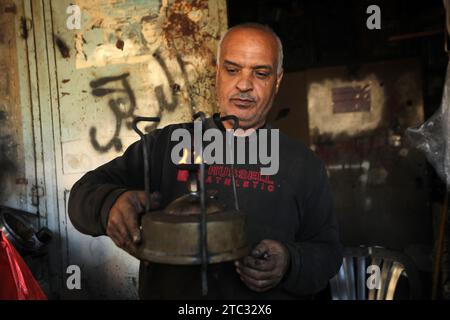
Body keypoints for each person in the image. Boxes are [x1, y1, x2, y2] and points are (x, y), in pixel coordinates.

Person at [68, 23, 343, 299]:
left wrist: (289, 261)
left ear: (278, 81)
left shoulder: (303, 165)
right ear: (217, 73)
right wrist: (109, 204)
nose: (245, 85)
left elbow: (328, 254)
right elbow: (80, 196)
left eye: (260, 73)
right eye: (232, 70)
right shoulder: (167, 145)